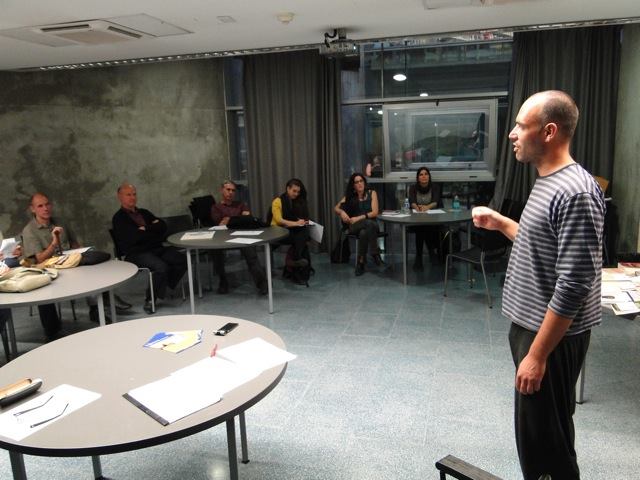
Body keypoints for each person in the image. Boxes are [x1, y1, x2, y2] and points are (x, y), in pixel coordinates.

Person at [472, 90, 604, 480]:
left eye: (520, 126)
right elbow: (543, 245)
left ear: (548, 132)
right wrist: (502, 223)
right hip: (533, 329)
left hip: (550, 338)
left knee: (547, 446)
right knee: (542, 434)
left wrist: (538, 355)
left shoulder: (575, 192)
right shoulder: (548, 181)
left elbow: (575, 282)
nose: (512, 134)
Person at [112, 183, 187, 312]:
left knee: (182, 259)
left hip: (155, 249)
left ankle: (162, 286)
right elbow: (134, 238)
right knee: (161, 267)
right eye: (128, 195)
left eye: (134, 194)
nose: (132, 197)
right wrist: (153, 231)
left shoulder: (144, 212)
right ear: (119, 197)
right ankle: (150, 299)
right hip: (136, 253)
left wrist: (146, 228)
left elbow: (163, 226)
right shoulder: (119, 218)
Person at [210, 180, 267, 295]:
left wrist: (229, 219)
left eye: (233, 190)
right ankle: (223, 281)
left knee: (251, 253)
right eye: (228, 190)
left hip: (241, 235)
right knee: (215, 251)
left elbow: (247, 219)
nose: (231, 192)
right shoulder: (216, 207)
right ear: (222, 190)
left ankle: (262, 284)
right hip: (222, 237)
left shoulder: (241, 204)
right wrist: (238, 218)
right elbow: (219, 222)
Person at [334, 173, 382, 276]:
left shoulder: (372, 193)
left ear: (364, 182)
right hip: (354, 226)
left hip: (371, 225)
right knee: (367, 226)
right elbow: (336, 208)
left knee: (364, 232)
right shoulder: (350, 196)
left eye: (361, 181)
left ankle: (361, 262)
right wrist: (342, 212)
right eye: (356, 182)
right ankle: (375, 254)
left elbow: (375, 212)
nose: (359, 184)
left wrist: (359, 218)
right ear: (353, 185)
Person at [270, 178, 310, 268]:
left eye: (298, 192)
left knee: (303, 232)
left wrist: (303, 221)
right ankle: (294, 259)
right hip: (276, 232)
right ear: (288, 188)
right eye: (294, 191)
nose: (296, 194)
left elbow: (295, 218)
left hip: (288, 230)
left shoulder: (295, 202)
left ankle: (294, 260)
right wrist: (297, 223)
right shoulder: (277, 201)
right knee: (302, 235)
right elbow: (279, 220)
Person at [408, 166, 442, 270]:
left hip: (433, 218)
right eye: (421, 175)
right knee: (421, 227)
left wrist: (426, 207)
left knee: (423, 228)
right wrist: (417, 208)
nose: (424, 176)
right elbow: (412, 202)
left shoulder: (435, 187)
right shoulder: (413, 188)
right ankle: (431, 253)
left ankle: (419, 258)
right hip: (417, 217)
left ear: (429, 176)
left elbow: (435, 202)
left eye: (426, 174)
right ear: (418, 177)